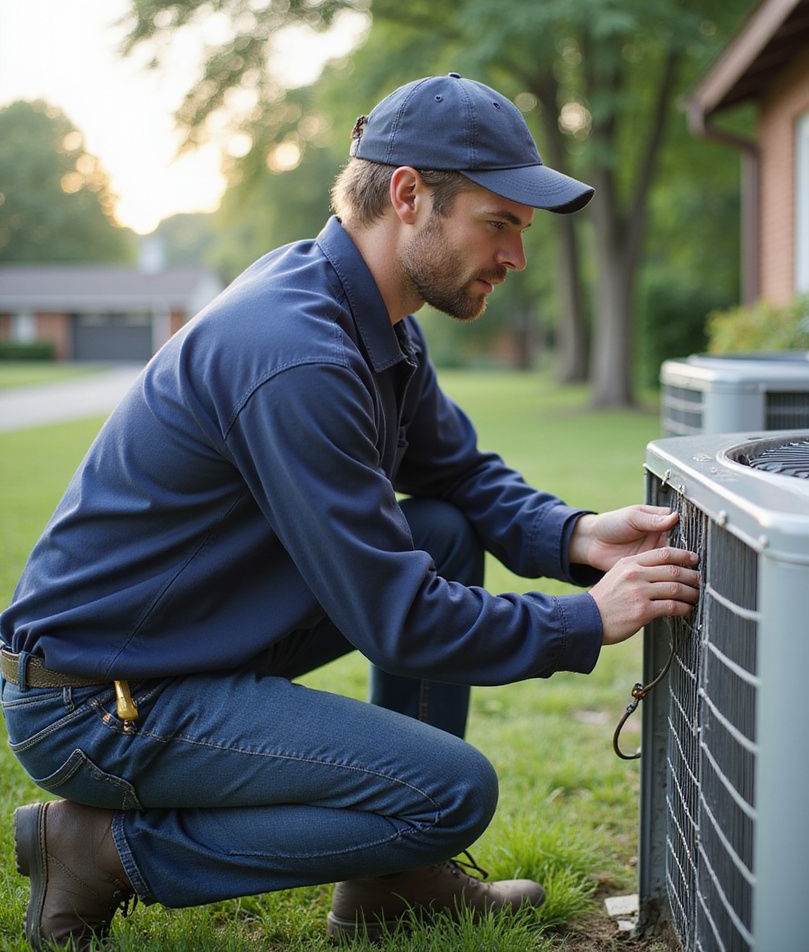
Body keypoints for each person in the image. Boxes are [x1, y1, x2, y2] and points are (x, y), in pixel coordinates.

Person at [0, 72, 699, 949]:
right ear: (409, 196)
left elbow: (459, 475)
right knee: (452, 792)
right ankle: (96, 849)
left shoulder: (377, 320)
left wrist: (571, 535)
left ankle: (390, 888)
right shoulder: (296, 353)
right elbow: (399, 620)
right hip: (100, 703)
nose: (517, 257)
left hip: (187, 648)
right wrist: (583, 621)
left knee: (441, 532)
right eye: (500, 224)